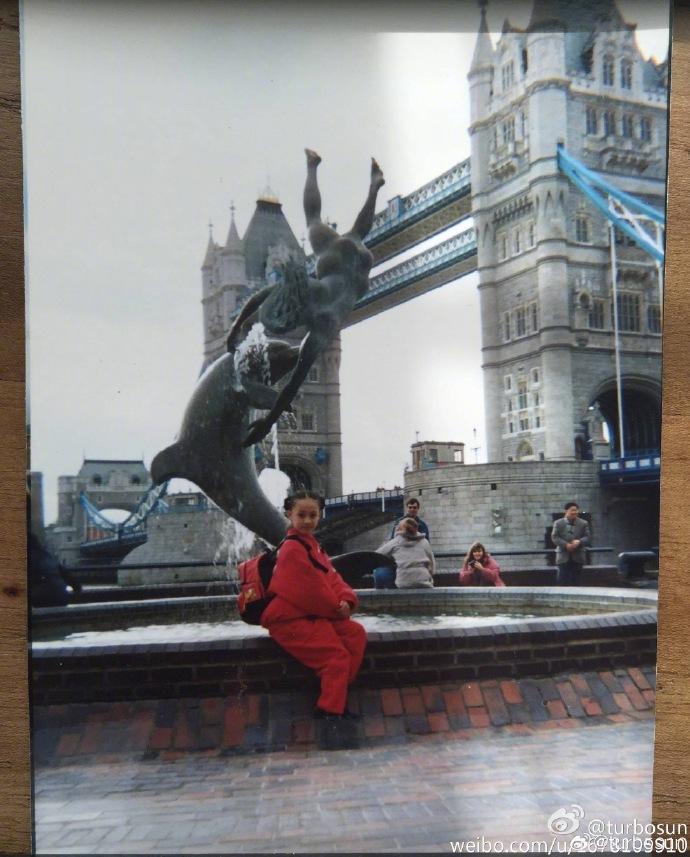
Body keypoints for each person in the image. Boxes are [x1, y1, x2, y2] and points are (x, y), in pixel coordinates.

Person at [227, 149, 385, 447]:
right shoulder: (309, 291)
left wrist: (267, 422)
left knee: (344, 228)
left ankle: (368, 184)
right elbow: (264, 295)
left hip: (359, 270)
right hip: (341, 260)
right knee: (320, 222)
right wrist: (236, 327)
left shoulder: (323, 328)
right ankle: (320, 169)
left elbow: (292, 385)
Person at [261, 490, 367, 747]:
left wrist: (347, 600)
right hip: (289, 620)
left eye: (313, 515)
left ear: (320, 515)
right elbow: (310, 592)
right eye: (301, 515)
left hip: (309, 614)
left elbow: (332, 578)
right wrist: (336, 609)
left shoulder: (312, 545)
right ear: (289, 515)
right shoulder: (292, 549)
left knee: (355, 634)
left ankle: (336, 695)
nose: (308, 520)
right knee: (336, 657)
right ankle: (330, 712)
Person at [373, 497, 429, 589]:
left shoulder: (420, 526)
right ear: (407, 508)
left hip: (405, 566)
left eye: (414, 508)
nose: (412, 510)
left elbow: (383, 550)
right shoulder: (400, 523)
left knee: (379, 572)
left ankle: (383, 595)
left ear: (418, 509)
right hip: (405, 563)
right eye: (410, 507)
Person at [375, 518, 435, 589]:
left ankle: (379, 594)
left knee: (379, 570)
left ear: (400, 529)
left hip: (403, 584)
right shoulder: (424, 542)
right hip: (424, 583)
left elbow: (376, 555)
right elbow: (432, 564)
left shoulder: (396, 541)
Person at [551, 502, 591, 586]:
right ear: (566, 511)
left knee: (577, 581)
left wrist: (579, 541)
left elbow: (587, 537)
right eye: (572, 510)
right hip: (563, 557)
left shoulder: (583, 523)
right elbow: (554, 537)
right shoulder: (558, 523)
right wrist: (566, 545)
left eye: (576, 510)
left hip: (578, 557)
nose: (574, 512)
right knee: (562, 580)